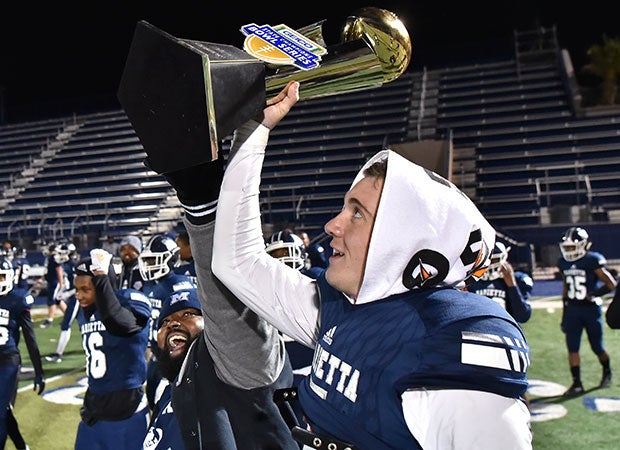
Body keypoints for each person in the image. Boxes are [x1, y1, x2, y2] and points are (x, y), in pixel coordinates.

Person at [210, 81, 532, 449]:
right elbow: (236, 260)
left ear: (403, 242)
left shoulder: (449, 339)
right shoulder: (343, 306)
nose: (332, 224)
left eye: (358, 214)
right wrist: (256, 129)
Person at [73, 248, 151, 450]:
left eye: (85, 289)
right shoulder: (85, 313)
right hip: (95, 409)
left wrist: (100, 277)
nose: (79, 296)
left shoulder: (130, 300)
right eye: (77, 289)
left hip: (127, 410)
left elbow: (121, 324)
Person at [265, 229, 323, 426]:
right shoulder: (262, 291)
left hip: (311, 374)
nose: (280, 260)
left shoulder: (314, 280)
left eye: (285, 253)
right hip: (278, 379)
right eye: (274, 255)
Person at [138, 234, 196, 411]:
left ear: (170, 259)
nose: (149, 266)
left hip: (174, 356)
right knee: (154, 403)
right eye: (147, 261)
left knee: (170, 407)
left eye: (153, 260)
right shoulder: (151, 285)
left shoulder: (179, 284)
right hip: (157, 355)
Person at [557, 226, 617, 396]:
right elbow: (566, 288)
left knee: (597, 347)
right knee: (572, 348)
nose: (569, 251)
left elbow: (611, 284)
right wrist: (564, 313)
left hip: (591, 311)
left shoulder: (592, 260)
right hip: (573, 310)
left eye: (572, 247)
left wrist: (594, 294)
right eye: (566, 247)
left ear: (583, 245)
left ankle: (607, 371)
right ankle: (577, 383)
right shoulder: (563, 263)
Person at [0, 255, 45, 449]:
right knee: (4, 409)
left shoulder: (17, 299)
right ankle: (21, 446)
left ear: (10, 276)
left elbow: (30, 337)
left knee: (0, 411)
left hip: (7, 359)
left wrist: (39, 371)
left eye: (1, 276)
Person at [466, 241, 533, 324]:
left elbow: (523, 316)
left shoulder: (519, 279)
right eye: (488, 261)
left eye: (494, 260)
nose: (490, 265)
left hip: (506, 329)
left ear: (504, 258)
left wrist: (512, 285)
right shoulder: (470, 280)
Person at [45, 243, 80, 363]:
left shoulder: (73, 266)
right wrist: (62, 291)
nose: (58, 255)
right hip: (73, 297)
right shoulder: (64, 265)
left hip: (78, 298)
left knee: (66, 325)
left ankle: (58, 354)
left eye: (61, 253)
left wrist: (66, 294)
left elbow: (79, 286)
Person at [40, 243, 67, 328]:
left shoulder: (54, 258)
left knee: (52, 300)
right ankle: (68, 316)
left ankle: (49, 320)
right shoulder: (51, 258)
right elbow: (48, 271)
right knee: (58, 300)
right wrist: (42, 279)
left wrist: (61, 283)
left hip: (55, 282)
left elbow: (59, 271)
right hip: (52, 282)